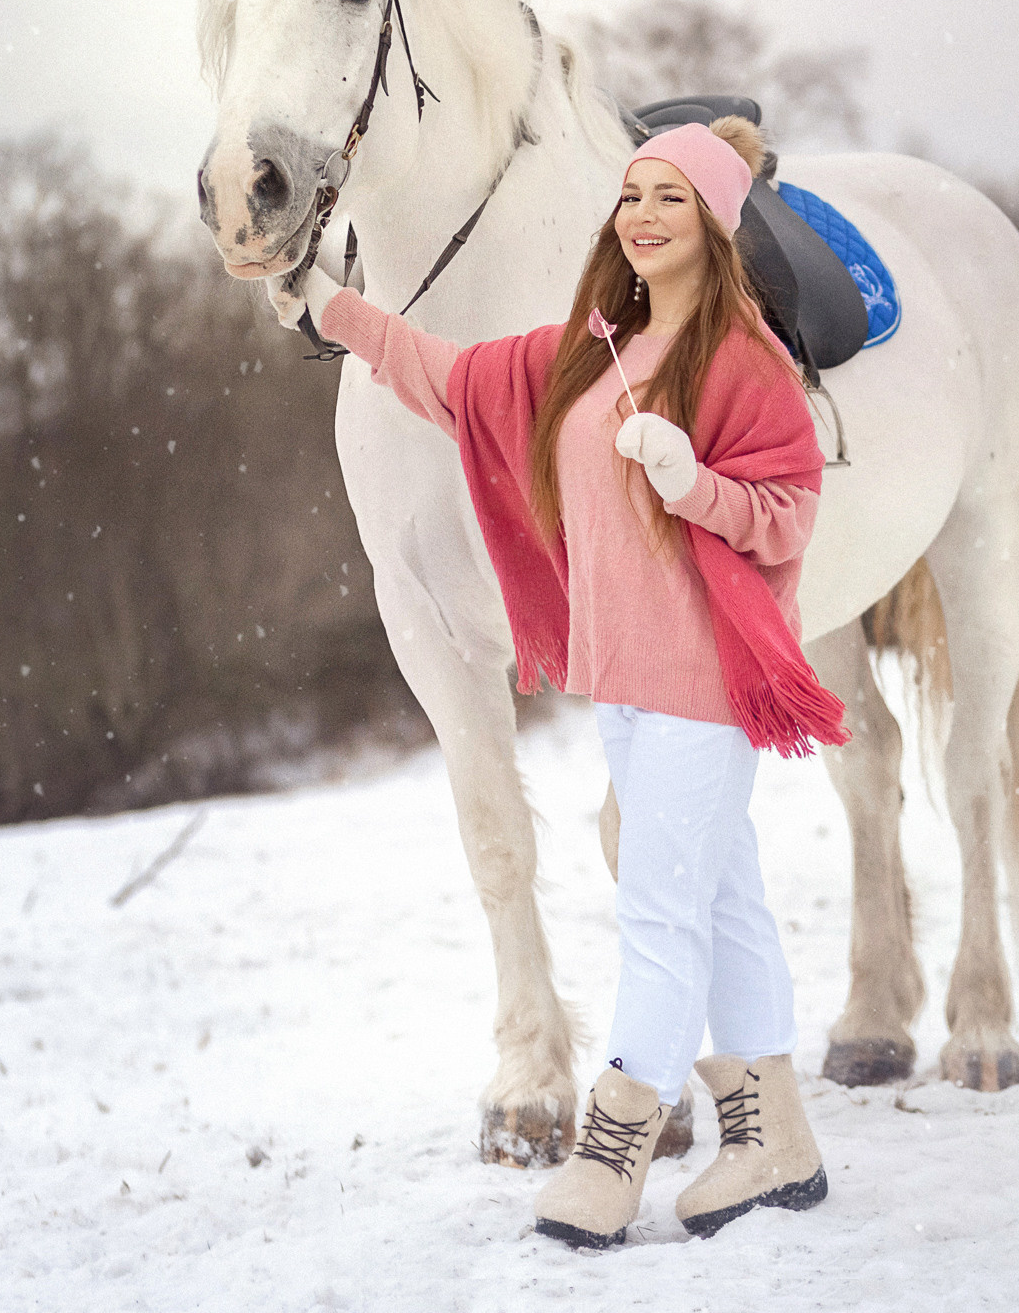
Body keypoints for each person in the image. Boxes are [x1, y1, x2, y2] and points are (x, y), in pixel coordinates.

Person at [271, 116, 845, 1248]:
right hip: (623, 684)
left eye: (671, 198)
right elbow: (446, 379)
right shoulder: (590, 348)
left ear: (716, 225)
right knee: (723, 904)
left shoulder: (744, 363)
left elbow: (788, 513)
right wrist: (328, 311)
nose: (640, 214)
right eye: (632, 195)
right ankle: (775, 1137)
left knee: (659, 913)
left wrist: (698, 488)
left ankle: (616, 1146)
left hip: (707, 680)